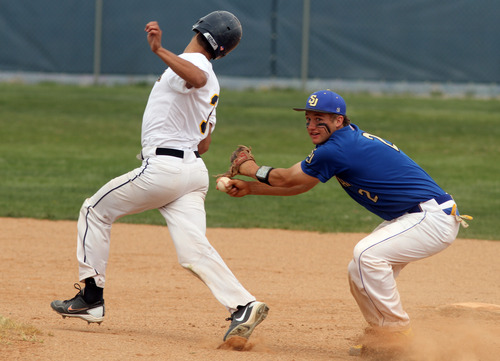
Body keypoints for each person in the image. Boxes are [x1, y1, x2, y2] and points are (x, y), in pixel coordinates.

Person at [50, 11, 268, 343]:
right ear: (226, 50)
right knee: (192, 253)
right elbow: (205, 143)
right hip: (193, 173)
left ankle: (92, 299)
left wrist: (158, 50)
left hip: (164, 170)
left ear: (199, 28)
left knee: (94, 210)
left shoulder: (194, 67)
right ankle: (243, 304)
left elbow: (194, 77)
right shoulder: (212, 81)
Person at [222, 89, 471, 354]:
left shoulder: (338, 148)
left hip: (430, 218)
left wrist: (248, 166)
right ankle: (382, 339)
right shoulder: (342, 142)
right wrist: (251, 188)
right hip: (416, 216)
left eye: (320, 119)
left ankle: (398, 334)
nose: (311, 126)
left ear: (338, 120)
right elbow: (299, 185)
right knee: (358, 270)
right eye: (308, 119)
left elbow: (285, 178)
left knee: (367, 255)